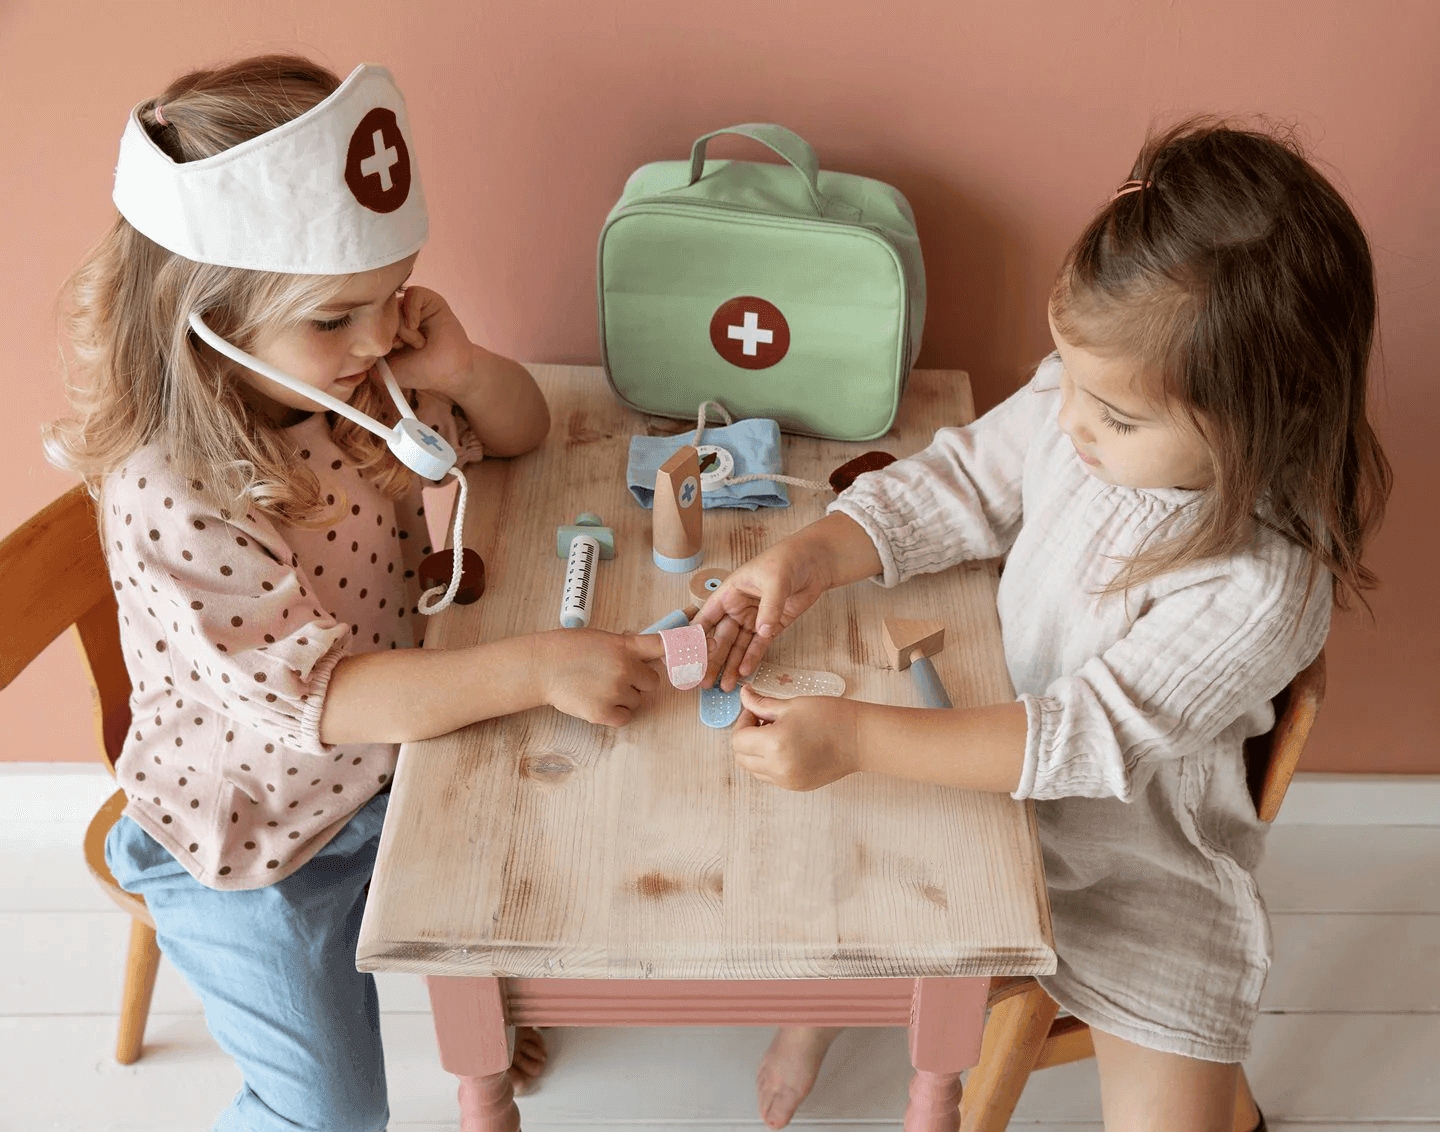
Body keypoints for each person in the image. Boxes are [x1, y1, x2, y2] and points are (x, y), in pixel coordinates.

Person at [696, 119, 1391, 1132]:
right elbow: (969, 477)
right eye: (1070, 378)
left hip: (1131, 871)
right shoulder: (1089, 400)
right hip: (977, 765)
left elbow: (1083, 739)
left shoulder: (1258, 583)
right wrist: (816, 552)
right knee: (822, 860)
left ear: (1268, 415)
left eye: (1114, 417)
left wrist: (852, 739)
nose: (1070, 422)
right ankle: (821, 1009)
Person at [45, 54, 664, 1132]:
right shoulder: (174, 492)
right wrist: (539, 666)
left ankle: (479, 995)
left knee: (577, 853)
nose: (381, 339)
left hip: (397, 776)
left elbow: (525, 434)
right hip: (262, 837)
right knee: (328, 1114)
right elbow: (330, 699)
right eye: (337, 318)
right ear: (207, 324)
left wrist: (463, 369)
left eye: (390, 298)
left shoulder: (354, 386)